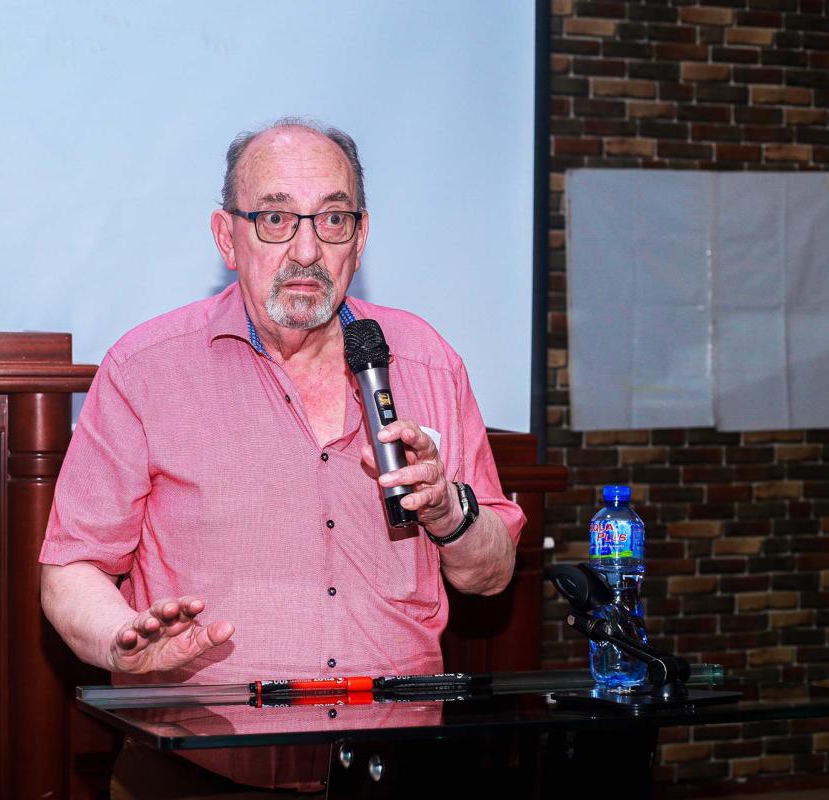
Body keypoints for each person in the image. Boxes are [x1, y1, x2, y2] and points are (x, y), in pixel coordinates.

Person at [39, 118, 526, 796]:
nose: (306, 250)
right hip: (197, 769)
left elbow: (491, 574)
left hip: (399, 766)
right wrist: (122, 636)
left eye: (332, 219)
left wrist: (449, 512)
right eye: (275, 218)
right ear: (226, 237)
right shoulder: (145, 369)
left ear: (360, 236)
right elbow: (73, 567)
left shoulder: (427, 362)